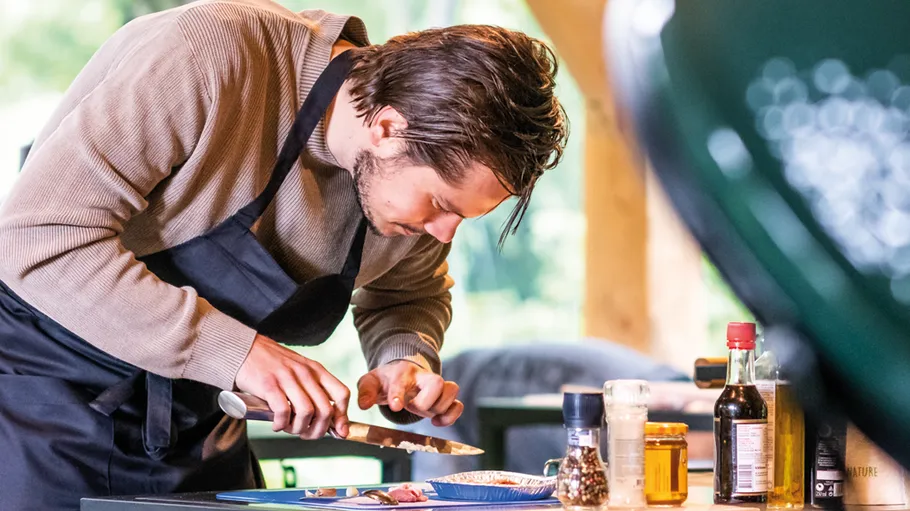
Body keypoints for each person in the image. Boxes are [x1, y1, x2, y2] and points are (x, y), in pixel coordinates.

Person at [0, 0, 568, 508]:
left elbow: (410, 289)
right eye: (441, 204)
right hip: (44, 402)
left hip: (202, 426)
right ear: (389, 127)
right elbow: (38, 238)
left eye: (463, 218)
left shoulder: (408, 178)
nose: (442, 235)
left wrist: (404, 357)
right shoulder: (207, 55)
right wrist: (241, 353)